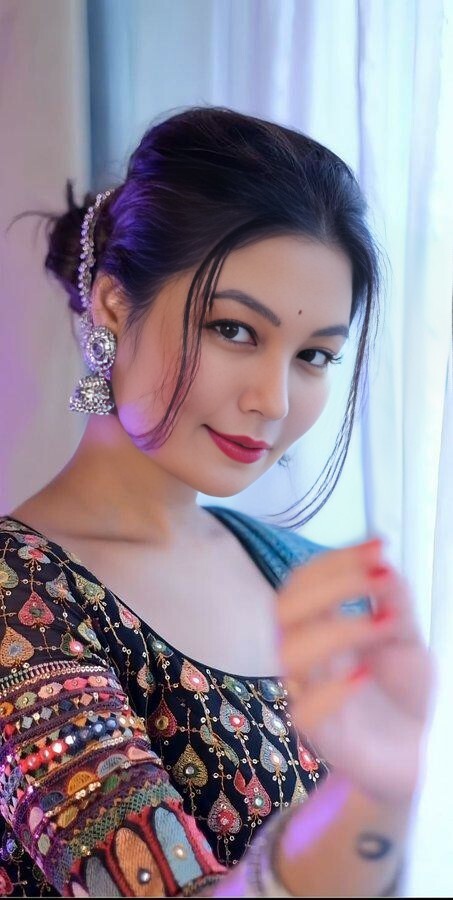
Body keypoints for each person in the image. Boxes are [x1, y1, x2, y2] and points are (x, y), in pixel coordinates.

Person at [0, 106, 434, 898]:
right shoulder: (18, 596)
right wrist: (366, 797)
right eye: (234, 330)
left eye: (313, 355)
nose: (274, 399)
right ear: (112, 304)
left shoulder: (304, 579)